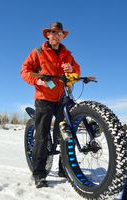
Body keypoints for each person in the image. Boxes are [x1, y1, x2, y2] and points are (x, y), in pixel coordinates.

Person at [20, 22, 81, 188]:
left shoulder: (67, 54)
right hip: (43, 97)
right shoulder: (38, 52)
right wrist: (38, 80)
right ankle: (39, 173)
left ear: (62, 36)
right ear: (48, 35)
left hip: (62, 97)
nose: (56, 35)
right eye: (53, 32)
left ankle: (64, 169)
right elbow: (24, 71)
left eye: (59, 33)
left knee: (64, 134)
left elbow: (76, 71)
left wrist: (72, 70)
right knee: (42, 135)